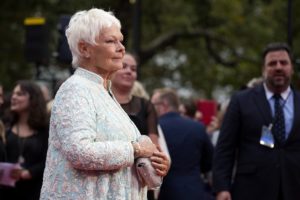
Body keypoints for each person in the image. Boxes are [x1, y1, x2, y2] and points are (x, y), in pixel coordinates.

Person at [40, 8, 169, 200]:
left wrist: (154, 164)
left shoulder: (102, 91)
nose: (121, 48)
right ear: (84, 49)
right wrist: (136, 149)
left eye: (121, 40)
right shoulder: (76, 89)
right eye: (111, 41)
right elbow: (80, 152)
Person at [213, 42, 300, 200]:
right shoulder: (241, 101)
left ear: (292, 68)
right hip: (252, 189)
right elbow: (225, 148)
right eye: (272, 63)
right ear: (263, 69)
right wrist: (222, 187)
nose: (278, 67)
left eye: (284, 62)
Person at [151, 88, 214, 200]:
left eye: (153, 105)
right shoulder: (197, 127)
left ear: (163, 105)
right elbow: (210, 161)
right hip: (195, 191)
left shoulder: (155, 129)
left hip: (165, 193)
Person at [2, 80, 49, 200]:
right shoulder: (5, 125)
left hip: (33, 192)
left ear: (33, 99)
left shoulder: (45, 130)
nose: (14, 97)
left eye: (20, 94)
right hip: (6, 191)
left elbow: (50, 160)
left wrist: (30, 172)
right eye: (13, 93)